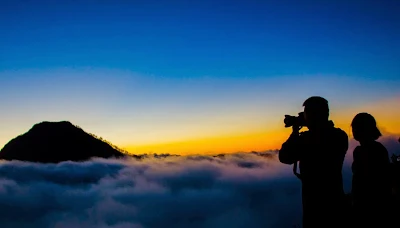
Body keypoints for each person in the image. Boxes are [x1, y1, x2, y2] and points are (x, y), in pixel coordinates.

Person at [279, 96, 349, 228]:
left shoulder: (307, 139)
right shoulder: (340, 135)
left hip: (314, 202)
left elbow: (284, 157)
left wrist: (295, 132)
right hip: (335, 198)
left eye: (306, 114)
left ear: (313, 115)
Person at [351, 113, 392, 227]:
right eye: (353, 127)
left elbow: (371, 180)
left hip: (370, 206)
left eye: (357, 127)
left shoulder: (369, 150)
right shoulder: (372, 149)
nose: (354, 131)